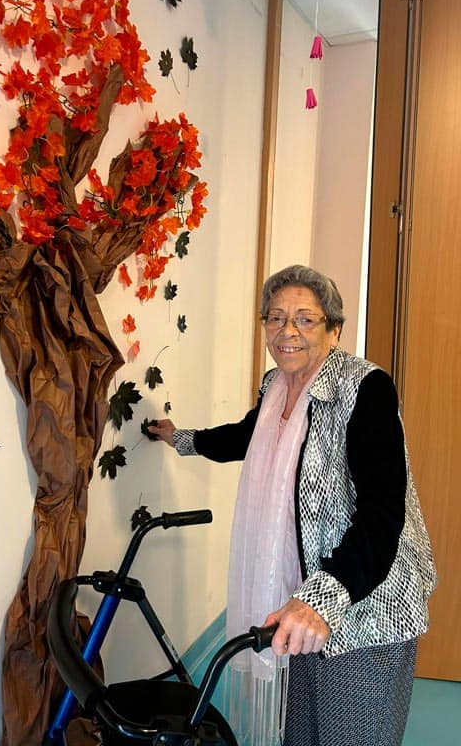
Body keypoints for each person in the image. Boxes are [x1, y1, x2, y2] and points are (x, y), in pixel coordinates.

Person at [149, 265, 436, 746]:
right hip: (300, 601)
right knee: (301, 734)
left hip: (367, 609)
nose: (288, 331)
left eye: (305, 319)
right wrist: (181, 439)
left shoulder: (365, 389)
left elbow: (383, 515)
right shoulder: (276, 384)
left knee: (352, 737)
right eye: (276, 318)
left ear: (334, 328)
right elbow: (245, 436)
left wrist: (322, 600)